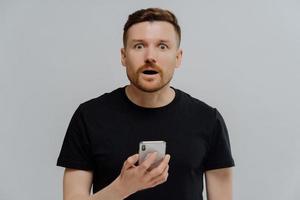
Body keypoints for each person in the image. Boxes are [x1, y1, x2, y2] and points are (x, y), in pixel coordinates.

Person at [57, 7, 235, 200]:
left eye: (162, 46)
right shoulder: (89, 116)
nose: (150, 56)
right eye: (139, 46)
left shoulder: (208, 119)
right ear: (124, 56)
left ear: (178, 57)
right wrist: (122, 187)